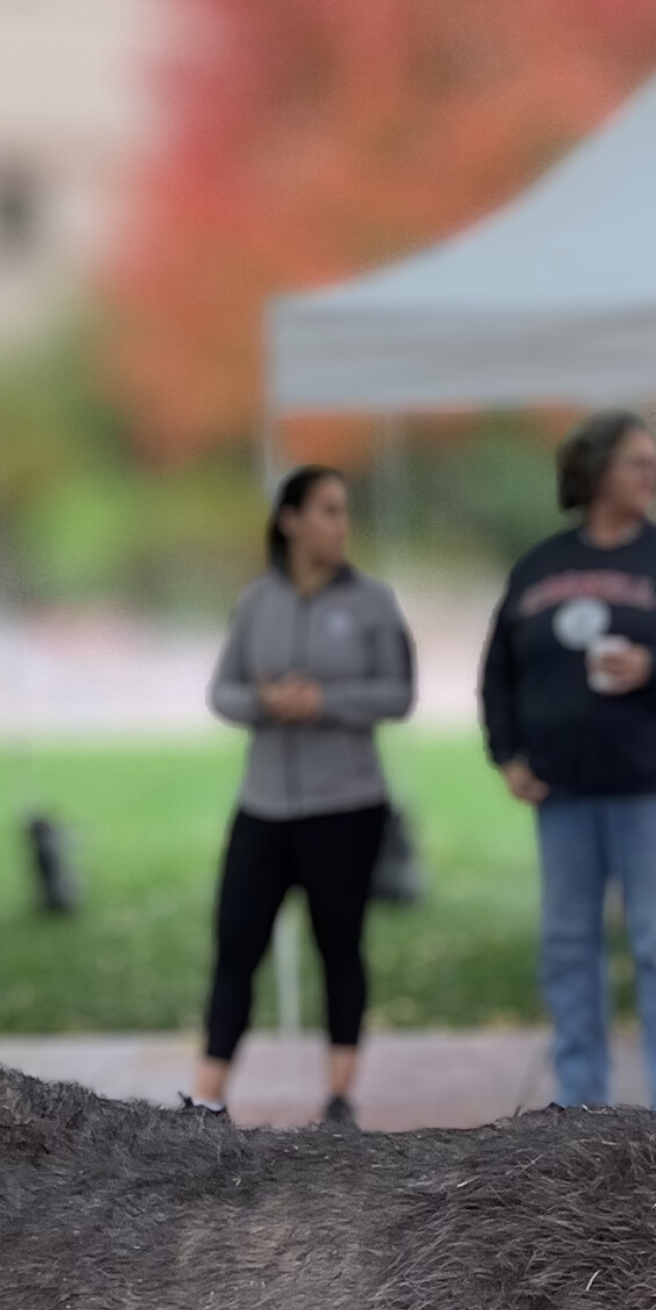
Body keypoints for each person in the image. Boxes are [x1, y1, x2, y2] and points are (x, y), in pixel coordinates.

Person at [480, 410, 656, 1115]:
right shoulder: (539, 566)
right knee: (568, 946)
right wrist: (507, 754)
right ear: (594, 472)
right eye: (635, 461)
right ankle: (579, 1101)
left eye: (652, 461)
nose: (650, 473)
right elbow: (498, 671)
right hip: (563, 789)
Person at [193, 465, 415, 1124]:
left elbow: (398, 693)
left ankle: (339, 1096)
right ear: (291, 520)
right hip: (263, 807)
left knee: (338, 948)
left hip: (346, 807)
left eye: (344, 510)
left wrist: (325, 702)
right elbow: (222, 692)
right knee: (235, 946)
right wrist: (265, 703)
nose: (340, 523)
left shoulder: (373, 602)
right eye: (327, 510)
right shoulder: (256, 602)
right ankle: (205, 1098)